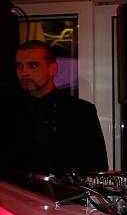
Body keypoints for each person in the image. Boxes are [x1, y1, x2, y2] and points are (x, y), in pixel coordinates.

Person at [6, 40, 107, 174]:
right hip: (16, 193)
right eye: (19, 66)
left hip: (69, 193)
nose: (24, 72)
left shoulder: (80, 111)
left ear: (52, 68)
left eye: (33, 65)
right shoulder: (7, 112)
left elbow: (97, 168)